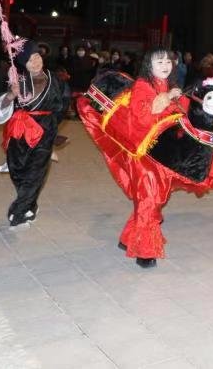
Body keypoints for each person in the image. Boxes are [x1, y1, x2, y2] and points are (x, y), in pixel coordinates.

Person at [78, 48, 185, 267]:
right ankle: (145, 251)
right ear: (149, 66)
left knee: (154, 198)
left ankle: (128, 238)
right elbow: (143, 117)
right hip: (141, 152)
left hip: (161, 152)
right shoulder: (142, 85)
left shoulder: (168, 85)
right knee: (149, 198)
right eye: (159, 62)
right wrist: (168, 98)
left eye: (168, 61)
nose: (165, 65)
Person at [0, 40, 69, 228]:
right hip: (19, 131)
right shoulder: (17, 81)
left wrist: (52, 126)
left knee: (35, 173)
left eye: (37, 57)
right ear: (24, 64)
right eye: (30, 60)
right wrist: (11, 96)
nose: (36, 62)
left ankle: (17, 213)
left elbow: (63, 106)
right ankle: (30, 205)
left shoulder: (56, 80)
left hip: (44, 132)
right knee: (18, 171)